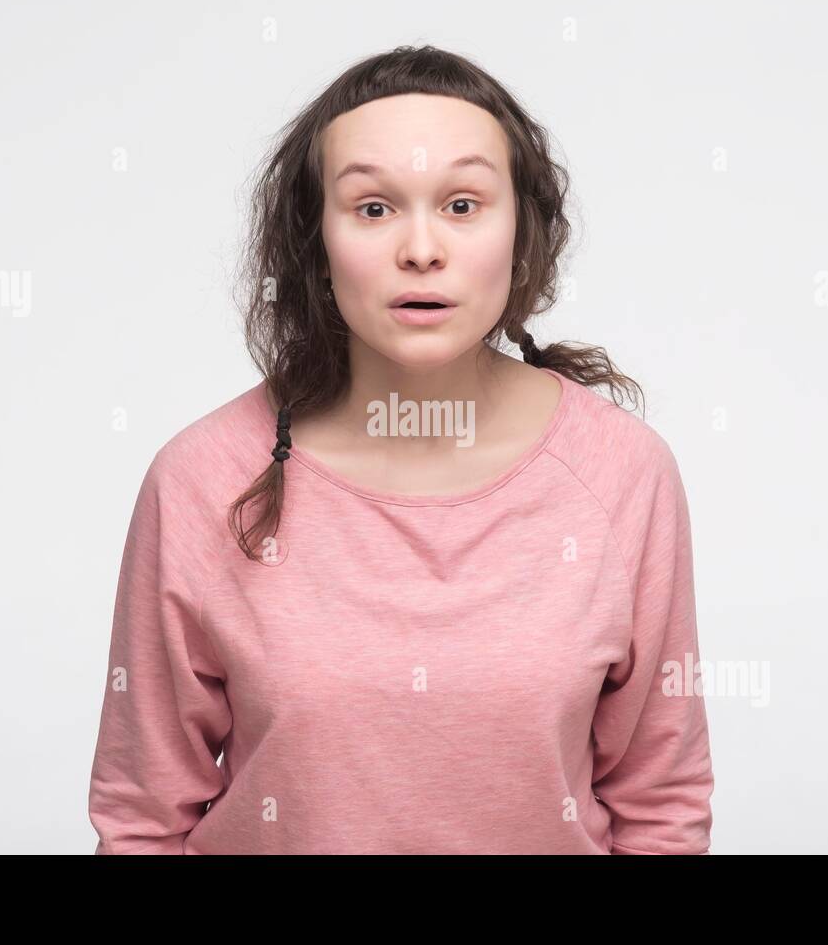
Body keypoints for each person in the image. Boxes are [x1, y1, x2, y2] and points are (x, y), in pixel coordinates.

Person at [87, 44, 714, 854]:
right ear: (315, 245)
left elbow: (662, 809)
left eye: (462, 204)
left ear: (522, 231)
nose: (421, 249)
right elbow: (142, 821)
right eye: (374, 208)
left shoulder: (624, 474)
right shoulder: (201, 478)